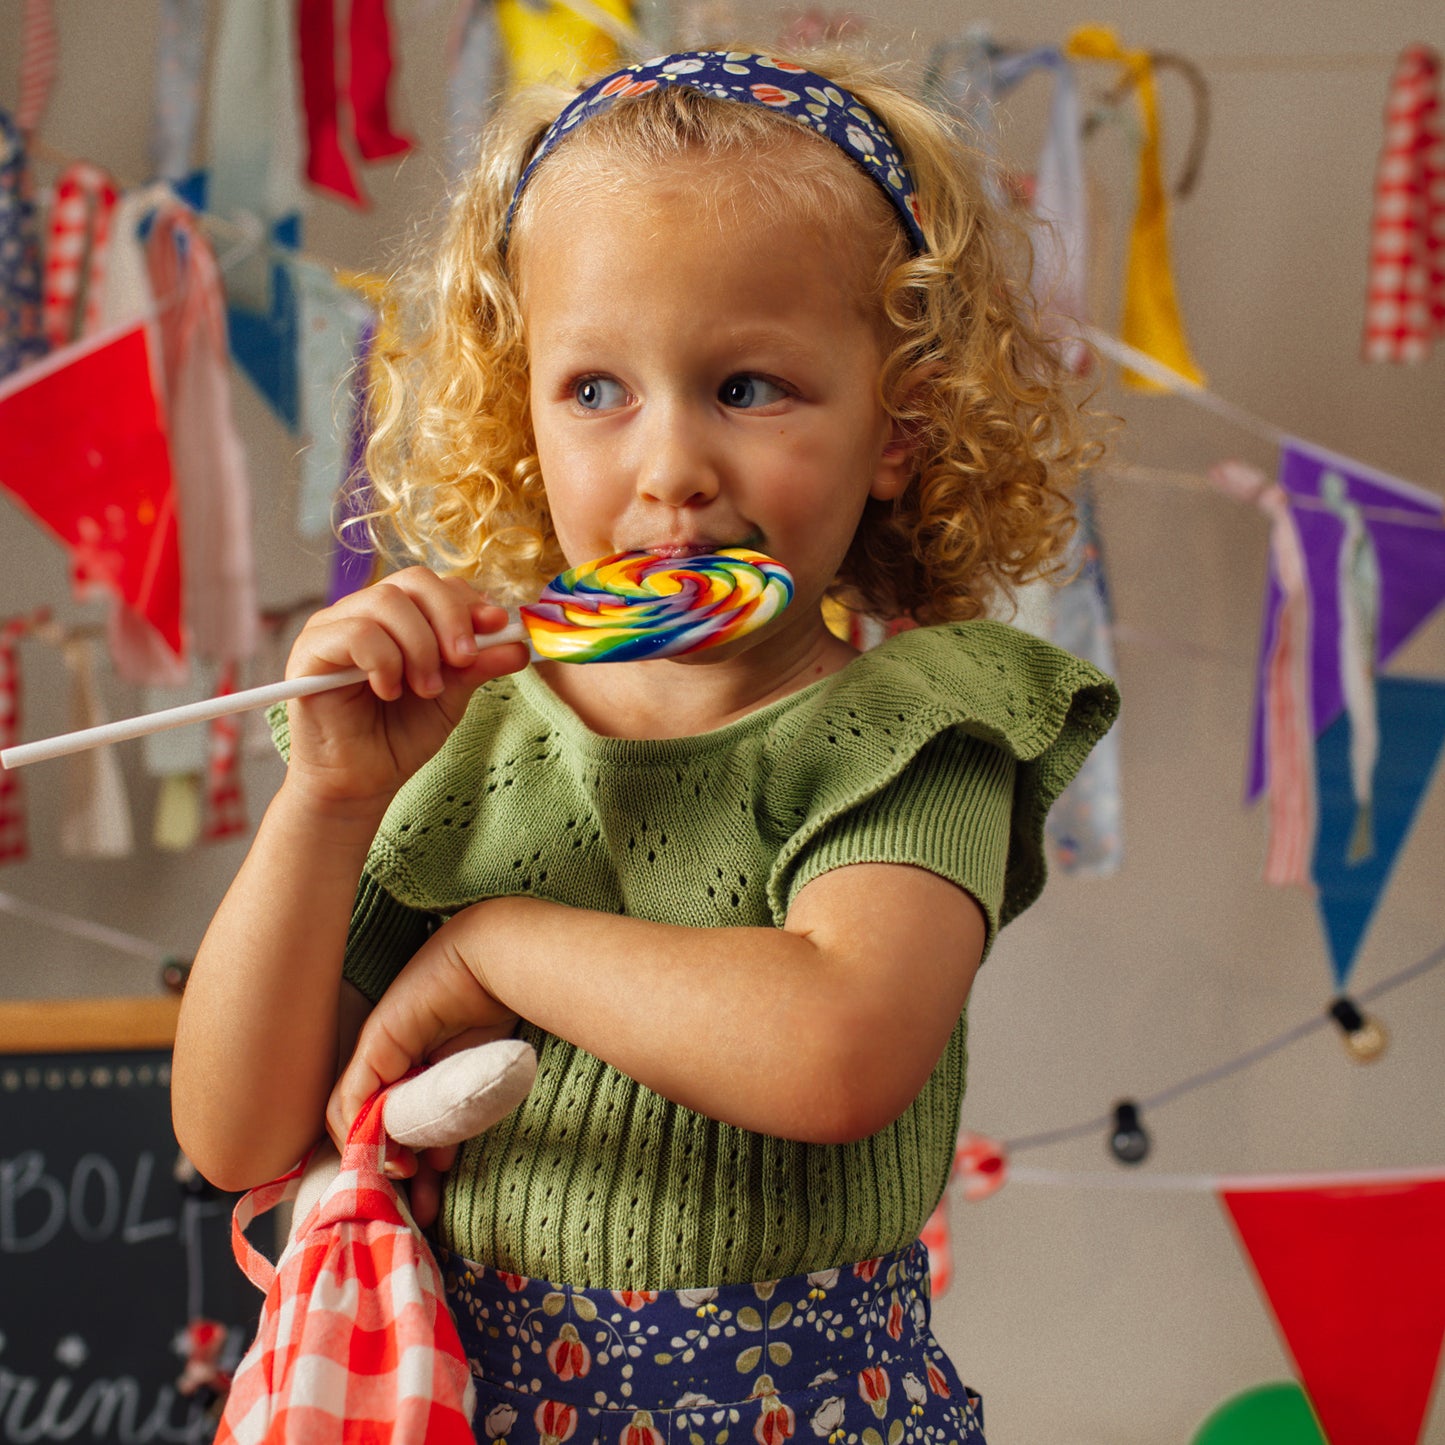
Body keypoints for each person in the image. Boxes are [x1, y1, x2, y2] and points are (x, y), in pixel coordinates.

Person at [173, 47, 1120, 1445]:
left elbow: (835, 1045)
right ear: (520, 412)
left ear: (898, 426)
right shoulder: (457, 738)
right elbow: (237, 1135)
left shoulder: (919, 727)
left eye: (746, 387)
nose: (668, 465)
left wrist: (495, 944)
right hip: (470, 1398)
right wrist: (324, 802)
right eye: (597, 391)